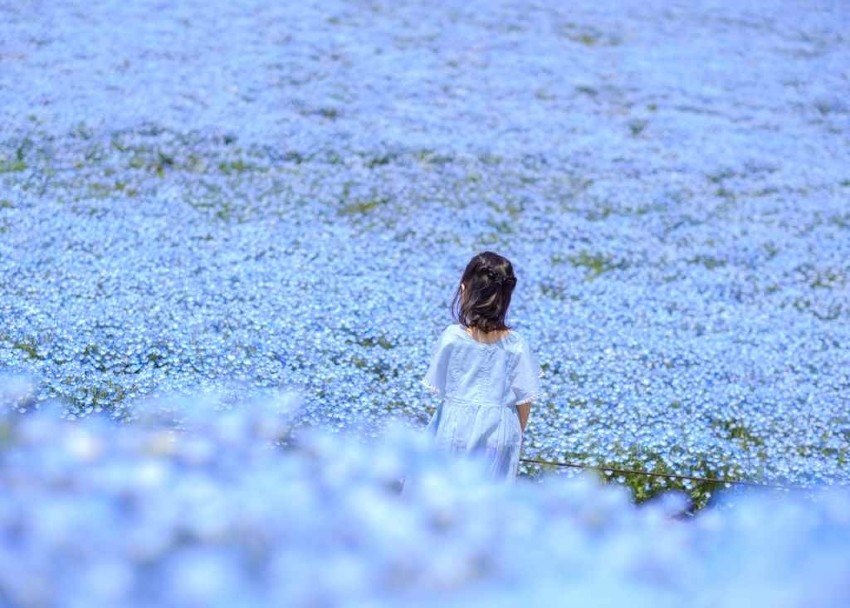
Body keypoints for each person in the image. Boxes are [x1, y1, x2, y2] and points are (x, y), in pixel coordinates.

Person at [422, 251, 542, 481]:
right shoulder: (516, 343)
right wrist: (513, 435)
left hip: (455, 427)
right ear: (506, 298)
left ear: (464, 289)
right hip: (501, 431)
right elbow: (524, 401)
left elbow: (441, 387)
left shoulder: (452, 337)